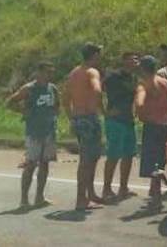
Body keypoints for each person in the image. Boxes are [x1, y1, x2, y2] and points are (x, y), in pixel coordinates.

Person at [5, 60, 59, 209]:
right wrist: (23, 111)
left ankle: (39, 197)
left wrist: (54, 117)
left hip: (49, 131)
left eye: (52, 72)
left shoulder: (52, 88)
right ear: (39, 72)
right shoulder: (29, 89)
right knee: (30, 164)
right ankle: (24, 200)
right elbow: (10, 102)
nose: (50, 75)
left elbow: (57, 105)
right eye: (48, 72)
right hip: (34, 132)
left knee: (45, 164)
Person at [135, 55, 167, 209]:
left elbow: (139, 102)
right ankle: (154, 191)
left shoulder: (144, 85)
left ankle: (156, 198)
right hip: (165, 125)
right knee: (159, 159)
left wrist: (141, 113)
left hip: (152, 126)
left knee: (152, 163)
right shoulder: (164, 82)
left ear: (143, 69)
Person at [63, 42, 105, 211]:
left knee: (91, 157)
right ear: (94, 56)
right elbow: (97, 90)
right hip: (89, 118)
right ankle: (82, 198)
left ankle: (90, 194)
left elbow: (65, 98)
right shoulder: (91, 71)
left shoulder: (73, 73)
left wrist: (71, 117)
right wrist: (98, 109)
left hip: (78, 117)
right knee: (88, 159)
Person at [101, 52, 139, 201]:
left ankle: (123, 187)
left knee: (128, 154)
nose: (135, 61)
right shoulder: (113, 76)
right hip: (115, 120)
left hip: (128, 120)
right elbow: (99, 90)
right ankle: (106, 188)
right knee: (113, 155)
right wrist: (104, 111)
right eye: (132, 58)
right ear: (124, 60)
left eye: (137, 59)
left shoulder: (134, 78)